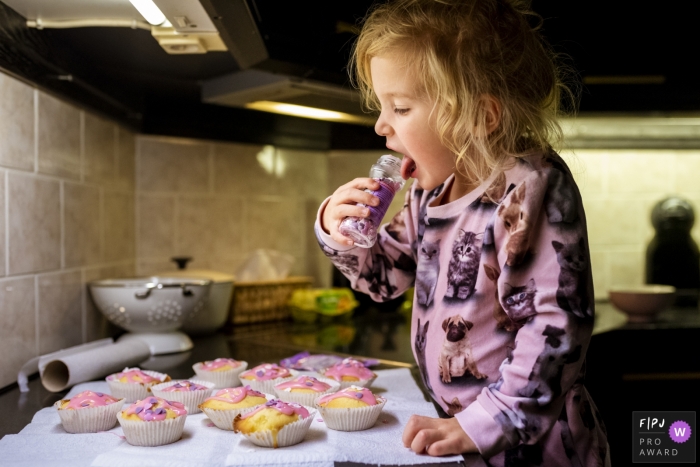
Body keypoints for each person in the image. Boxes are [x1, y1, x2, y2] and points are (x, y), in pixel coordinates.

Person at [315, 0, 609, 465]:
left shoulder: (531, 186)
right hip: (460, 434)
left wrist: (482, 424)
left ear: (480, 117)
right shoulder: (428, 194)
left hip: (534, 444)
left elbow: (557, 325)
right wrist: (337, 226)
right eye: (381, 106)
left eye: (401, 107)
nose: (380, 125)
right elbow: (383, 279)